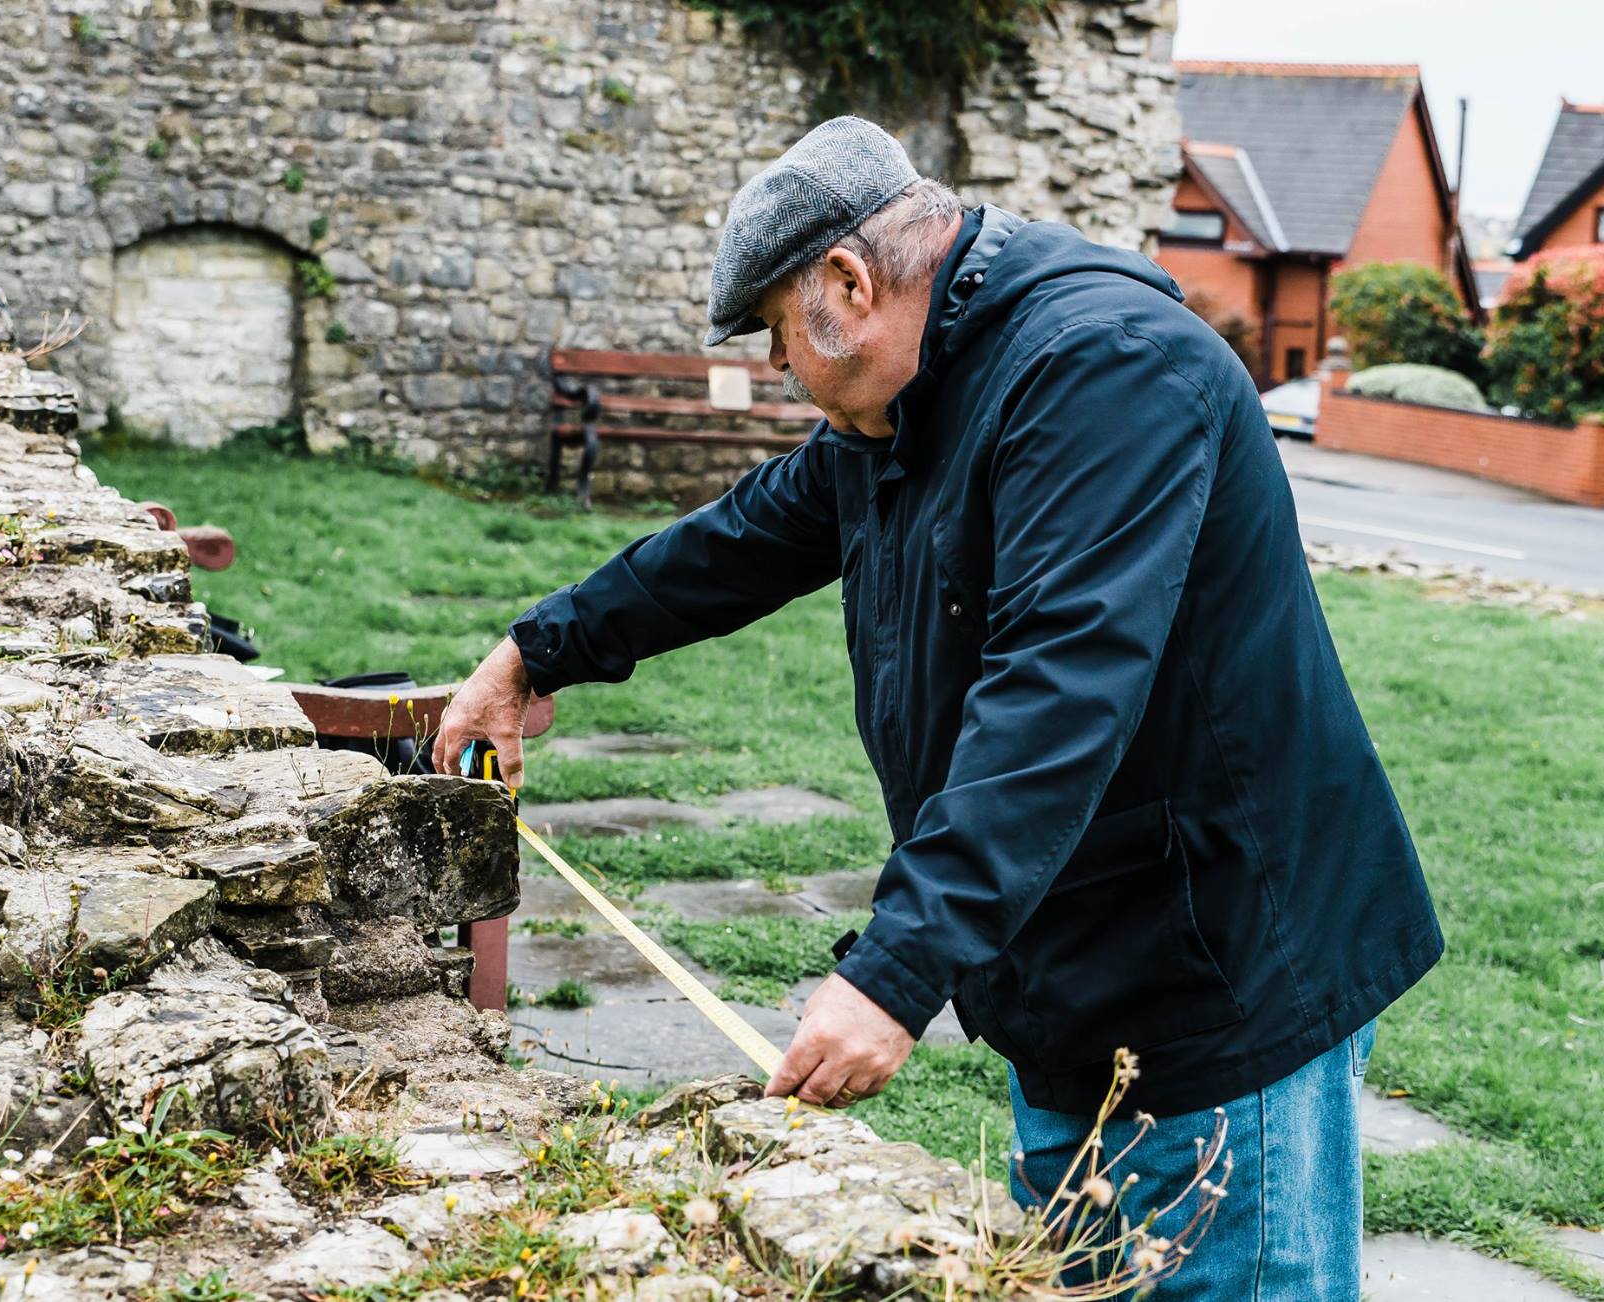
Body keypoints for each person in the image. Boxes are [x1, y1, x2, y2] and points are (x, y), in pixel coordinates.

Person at [433, 117, 1442, 1297]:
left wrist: (893, 972)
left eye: (773, 338)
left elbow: (1057, 695)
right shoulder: (908, 401)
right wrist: (533, 651)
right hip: (1073, 971)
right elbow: (741, 539)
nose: (778, 373)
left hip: (1215, 975)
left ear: (848, 285)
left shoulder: (1104, 372)